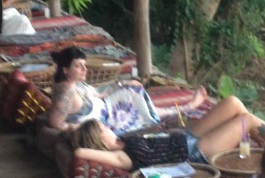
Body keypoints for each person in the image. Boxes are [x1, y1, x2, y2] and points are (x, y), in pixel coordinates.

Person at [72, 96, 265, 171]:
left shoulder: (123, 139)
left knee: (233, 103)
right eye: (103, 128)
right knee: (247, 120)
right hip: (195, 153)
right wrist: (77, 133)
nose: (108, 127)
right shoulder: (121, 156)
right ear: (99, 139)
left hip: (187, 136)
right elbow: (79, 152)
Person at [46, 46, 207, 134]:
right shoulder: (65, 92)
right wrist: (80, 128)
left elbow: (99, 94)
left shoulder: (75, 83)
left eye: (84, 65)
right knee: (139, 107)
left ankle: (182, 109)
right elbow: (55, 123)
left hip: (107, 106)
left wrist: (122, 84)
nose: (84, 69)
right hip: (108, 120)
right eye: (78, 66)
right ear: (65, 70)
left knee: (134, 94)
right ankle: (185, 108)